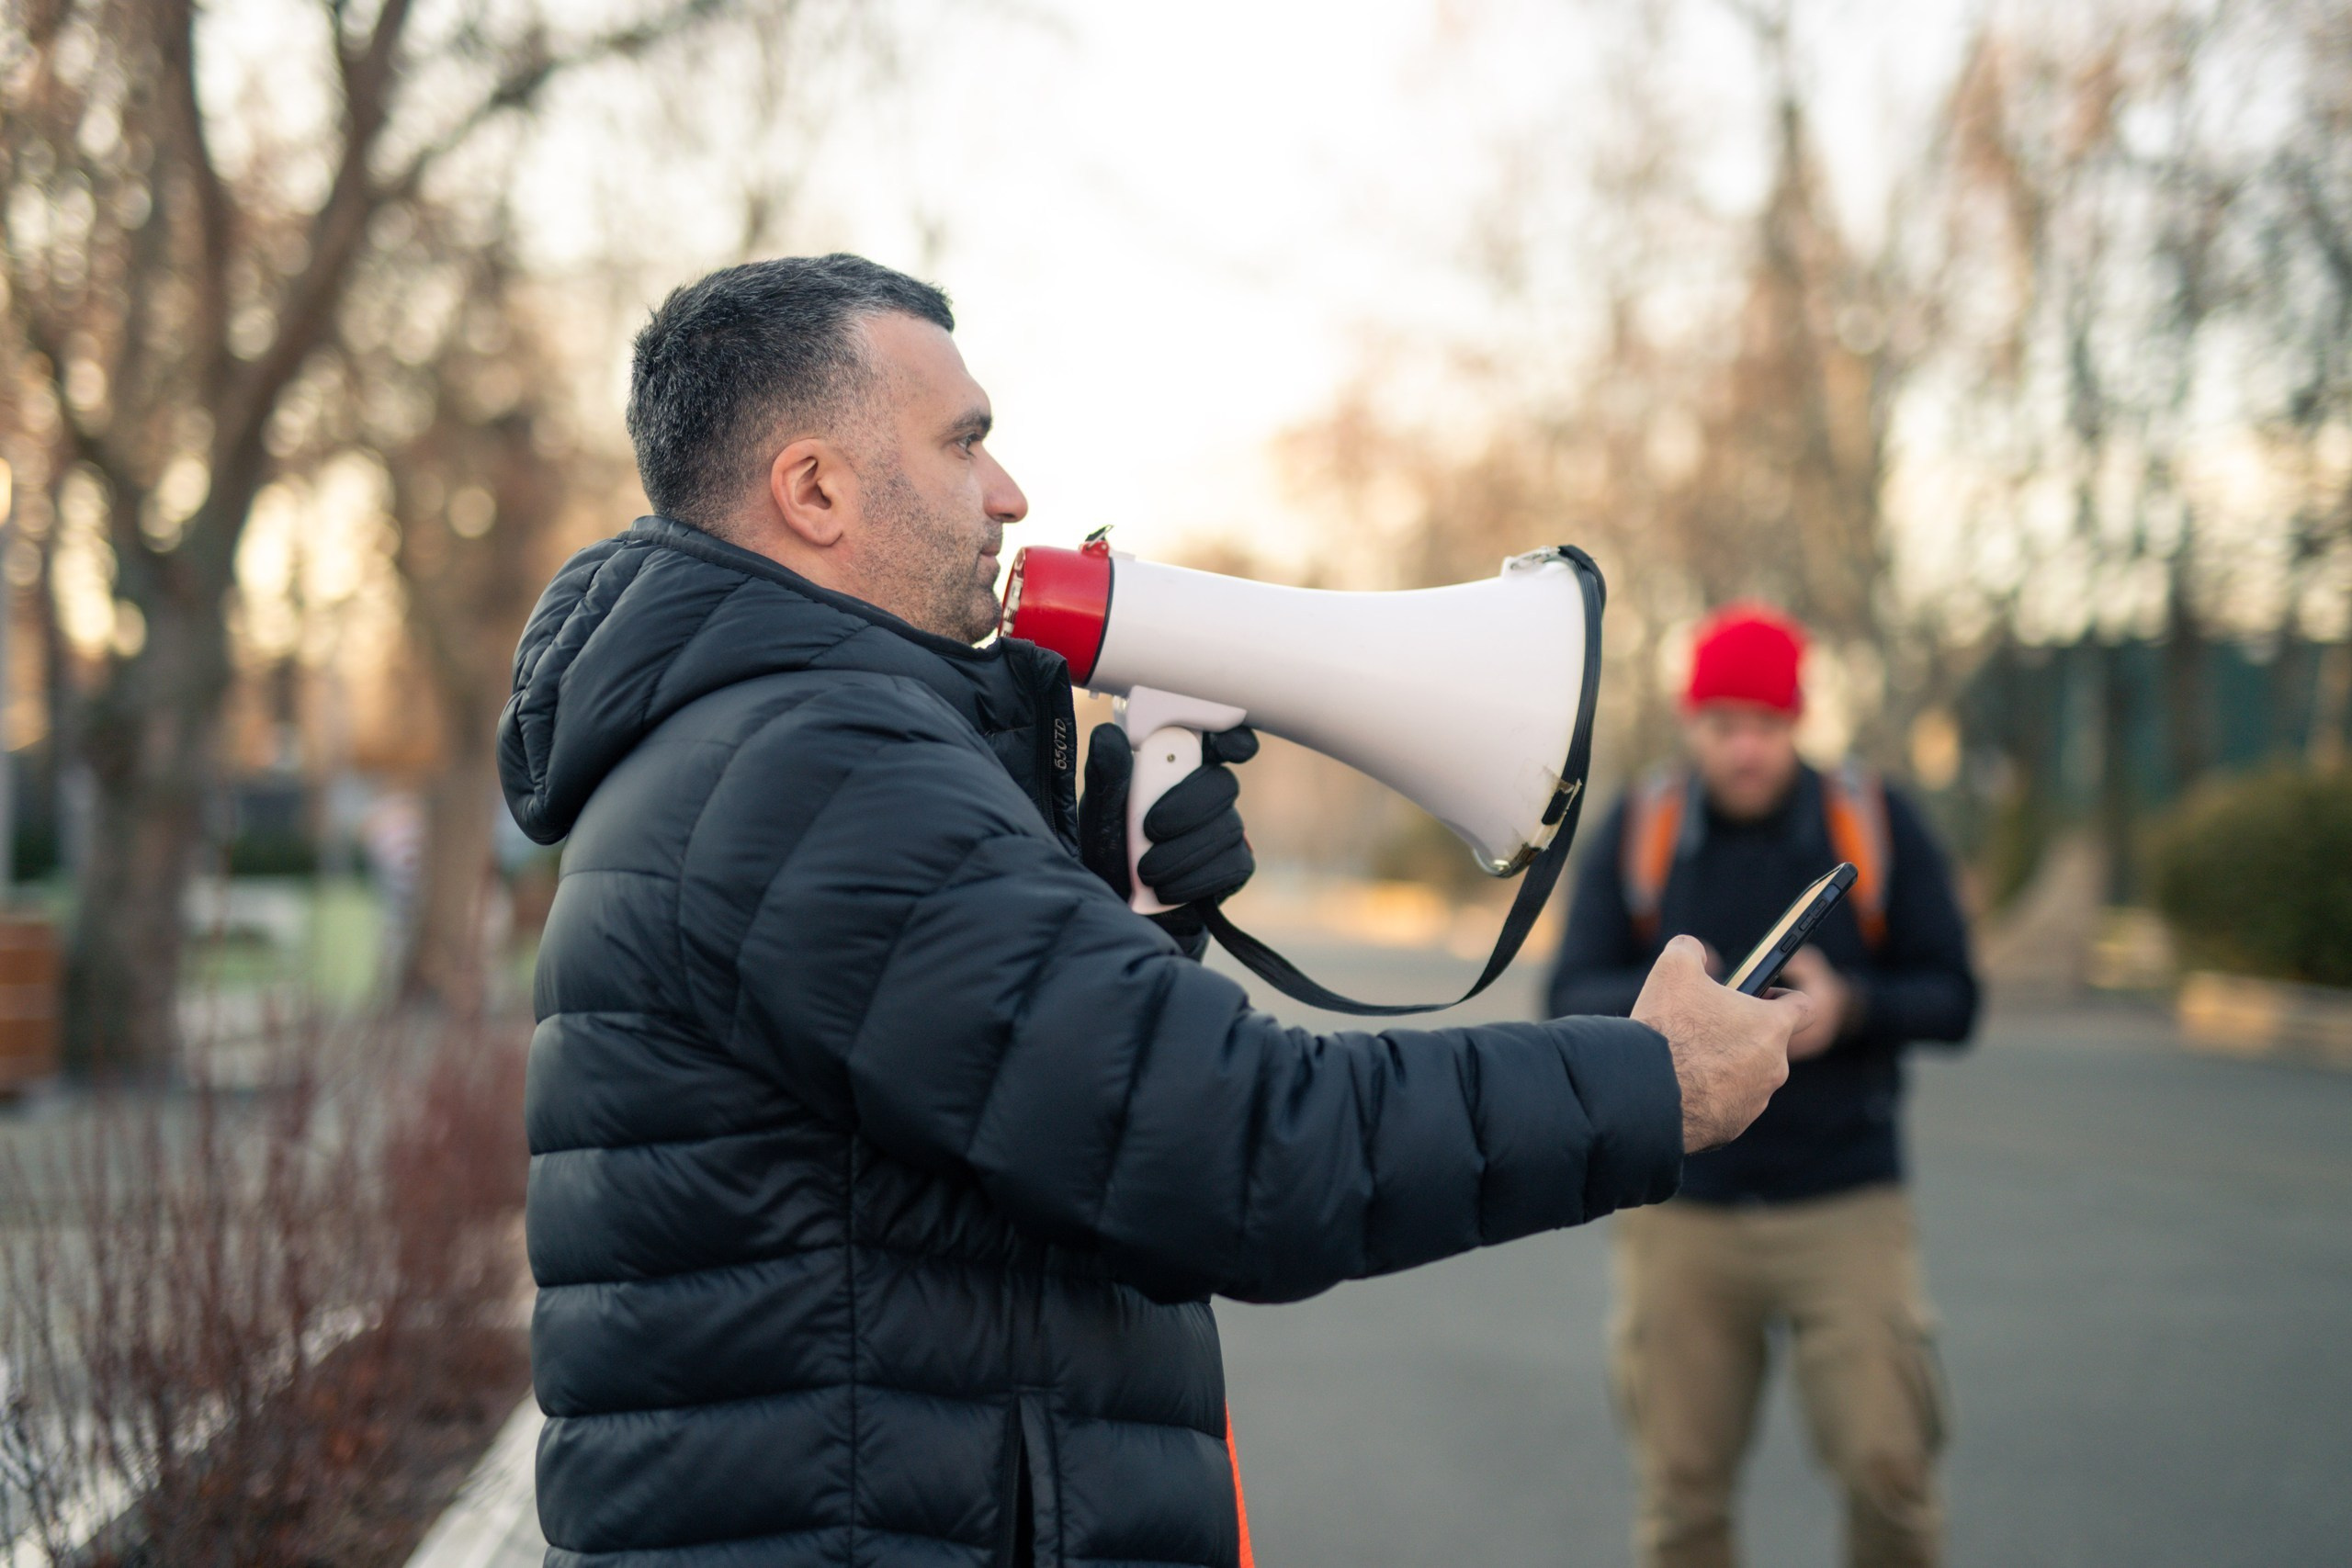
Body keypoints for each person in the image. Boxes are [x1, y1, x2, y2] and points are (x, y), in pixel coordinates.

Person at [501, 254, 1809, 1568]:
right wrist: (1653, 1079)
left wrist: (1119, 922)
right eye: (966, 444)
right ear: (815, 488)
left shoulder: (755, 743)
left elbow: (1004, 1144)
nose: (1008, 493)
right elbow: (1240, 1143)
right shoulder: (815, 767)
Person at [1547, 604, 1980, 1568]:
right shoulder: (1643, 827)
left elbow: (1954, 997)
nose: (1746, 750)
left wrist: (1851, 1007)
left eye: (1767, 726)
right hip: (1680, 1210)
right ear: (1689, 722)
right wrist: (1696, 1007)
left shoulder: (1873, 816)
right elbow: (1568, 993)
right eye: (1724, 725)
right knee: (1682, 1501)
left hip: (1846, 1203)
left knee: (1889, 1473)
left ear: (1798, 722)